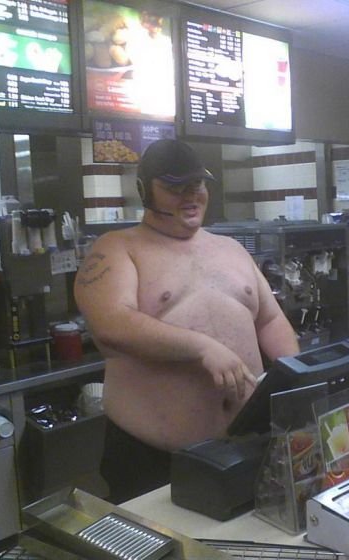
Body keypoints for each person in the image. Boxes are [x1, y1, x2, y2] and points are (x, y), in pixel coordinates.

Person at [74, 139, 299, 504]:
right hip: (153, 460)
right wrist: (202, 348)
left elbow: (270, 320)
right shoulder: (116, 248)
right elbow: (111, 324)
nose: (191, 196)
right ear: (145, 191)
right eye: (175, 188)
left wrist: (298, 378)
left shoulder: (231, 249)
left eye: (197, 185)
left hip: (246, 447)